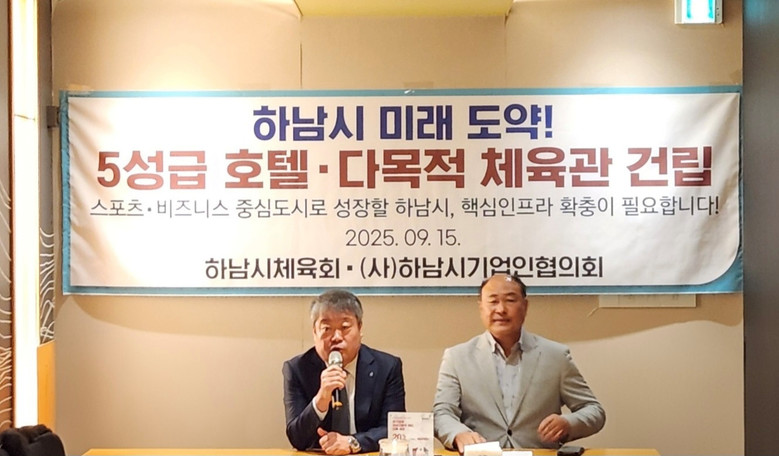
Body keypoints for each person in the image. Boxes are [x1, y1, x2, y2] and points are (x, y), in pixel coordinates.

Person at [433, 273, 605, 452]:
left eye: (510, 300)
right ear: (481, 308)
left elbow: (593, 410)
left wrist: (568, 423)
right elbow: (442, 413)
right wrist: (458, 434)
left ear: (525, 306)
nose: (501, 309)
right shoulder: (457, 357)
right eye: (493, 301)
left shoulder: (555, 356)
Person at [283, 289, 406, 454]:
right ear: (314, 332)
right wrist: (321, 399)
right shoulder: (297, 369)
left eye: (345, 327)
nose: (336, 337)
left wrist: (352, 442)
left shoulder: (387, 367)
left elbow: (393, 429)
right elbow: (297, 439)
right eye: (326, 328)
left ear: (360, 328)